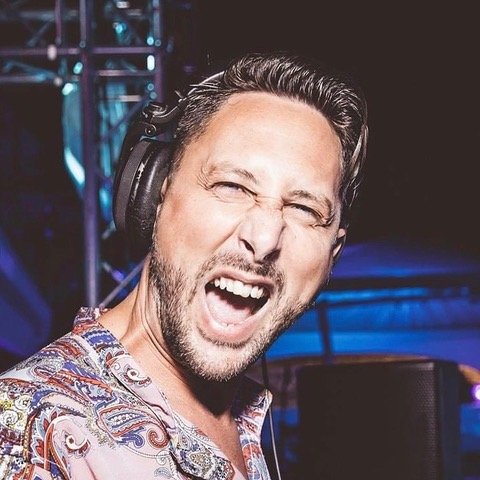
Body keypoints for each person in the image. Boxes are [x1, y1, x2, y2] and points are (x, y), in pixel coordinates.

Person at [0, 51, 368, 479]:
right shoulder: (29, 433)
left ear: (332, 254)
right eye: (232, 186)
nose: (265, 239)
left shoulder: (242, 419)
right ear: (153, 197)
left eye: (304, 209)